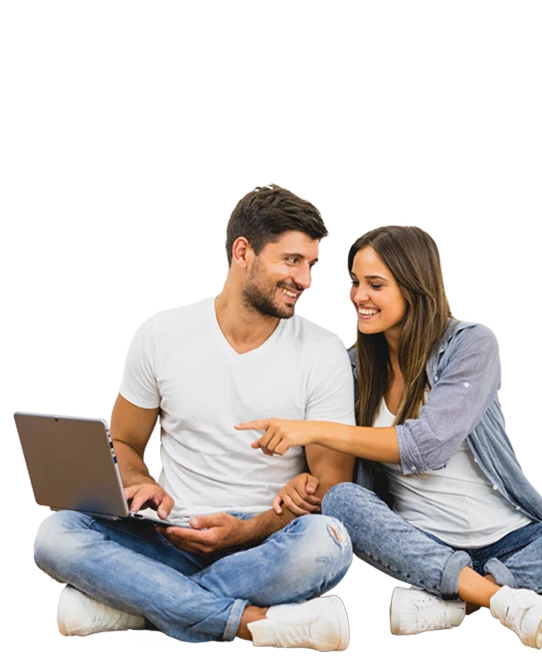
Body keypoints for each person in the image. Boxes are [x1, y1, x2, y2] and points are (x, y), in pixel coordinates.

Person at [238, 224, 542, 651]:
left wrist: (311, 429)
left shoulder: (469, 346)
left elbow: (427, 446)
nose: (359, 296)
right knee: (341, 500)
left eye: (375, 284)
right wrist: (298, 478)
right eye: (355, 282)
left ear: (415, 288)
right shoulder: (354, 370)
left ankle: (460, 597)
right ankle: (494, 599)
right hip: (420, 547)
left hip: (510, 543)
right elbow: (335, 468)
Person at [32, 184, 357, 651]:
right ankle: (247, 620)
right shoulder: (164, 334)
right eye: (291, 261)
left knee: (329, 541)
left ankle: (133, 607)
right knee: (54, 535)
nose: (305, 280)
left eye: (310, 264)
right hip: (170, 533)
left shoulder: (321, 354)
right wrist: (139, 479)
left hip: (266, 541)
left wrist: (249, 528)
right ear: (242, 252)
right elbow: (124, 440)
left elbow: (329, 486)